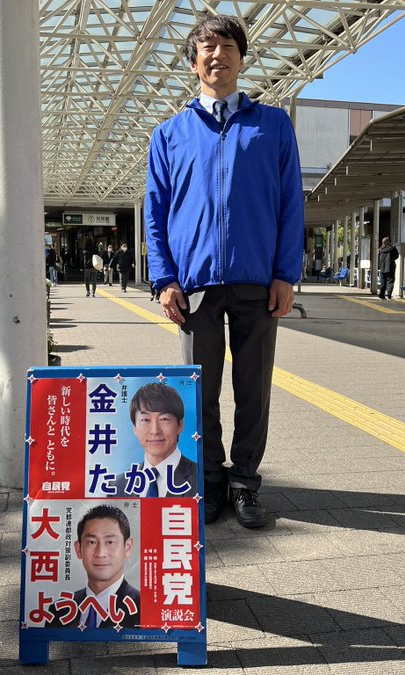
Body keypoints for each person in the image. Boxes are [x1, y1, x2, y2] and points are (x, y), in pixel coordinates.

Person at [144, 15, 304, 528]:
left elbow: (289, 204)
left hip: (259, 280)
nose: (218, 55)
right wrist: (165, 279)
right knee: (200, 389)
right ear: (194, 64)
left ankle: (245, 484)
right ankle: (210, 481)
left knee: (254, 388)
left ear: (242, 57)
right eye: (207, 48)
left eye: (228, 46)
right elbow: (156, 210)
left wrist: (286, 272)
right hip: (195, 286)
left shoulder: (273, 125)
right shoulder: (170, 135)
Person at [47, 505, 141, 629]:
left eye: (110, 542)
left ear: (127, 548)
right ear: (78, 549)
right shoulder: (59, 611)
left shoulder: (144, 608)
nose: (100, 553)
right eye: (91, 542)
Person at [113, 383, 198, 498]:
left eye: (164, 419)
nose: (155, 431)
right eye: (145, 420)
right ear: (135, 429)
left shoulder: (199, 477)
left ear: (180, 425)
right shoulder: (118, 486)